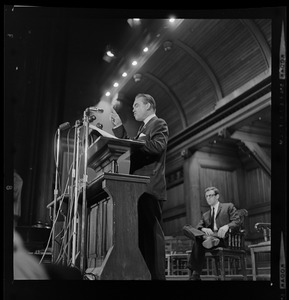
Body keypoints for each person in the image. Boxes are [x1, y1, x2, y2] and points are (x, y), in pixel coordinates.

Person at [110, 93, 169, 280]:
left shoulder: (158, 123)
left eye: (136, 105)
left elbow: (158, 146)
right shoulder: (143, 128)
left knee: (152, 239)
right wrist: (119, 128)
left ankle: (157, 278)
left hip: (150, 187)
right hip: (137, 189)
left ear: (149, 105)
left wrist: (135, 143)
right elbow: (132, 146)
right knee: (141, 239)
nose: (133, 108)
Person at [183, 186, 241, 280]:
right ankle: (207, 239)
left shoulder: (228, 206)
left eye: (211, 195)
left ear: (217, 196)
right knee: (186, 228)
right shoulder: (205, 214)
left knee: (198, 241)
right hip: (208, 238)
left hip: (223, 238)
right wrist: (203, 229)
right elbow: (198, 227)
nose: (208, 198)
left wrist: (227, 226)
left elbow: (237, 222)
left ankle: (196, 274)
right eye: (206, 196)